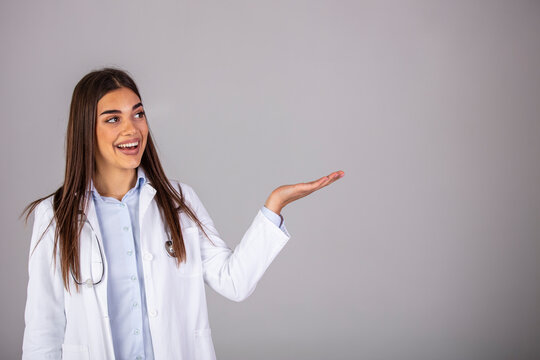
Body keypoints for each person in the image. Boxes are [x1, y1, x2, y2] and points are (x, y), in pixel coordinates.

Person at [21, 67, 344, 360]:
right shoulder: (55, 216)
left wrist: (275, 204)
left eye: (138, 114)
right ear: (85, 130)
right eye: (112, 119)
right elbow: (43, 331)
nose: (132, 129)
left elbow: (234, 282)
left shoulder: (179, 201)